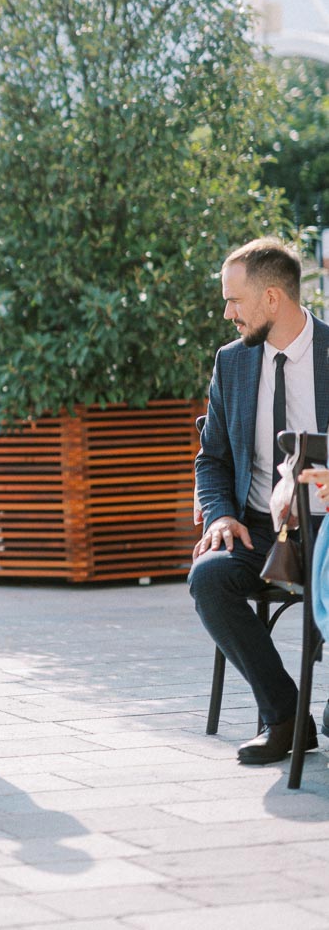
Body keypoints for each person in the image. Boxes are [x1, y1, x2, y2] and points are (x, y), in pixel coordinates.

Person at [189, 237, 329, 764]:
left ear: (273, 298)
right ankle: (288, 716)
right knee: (208, 578)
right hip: (258, 531)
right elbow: (213, 458)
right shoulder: (233, 364)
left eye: (234, 300)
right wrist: (221, 512)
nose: (228, 313)